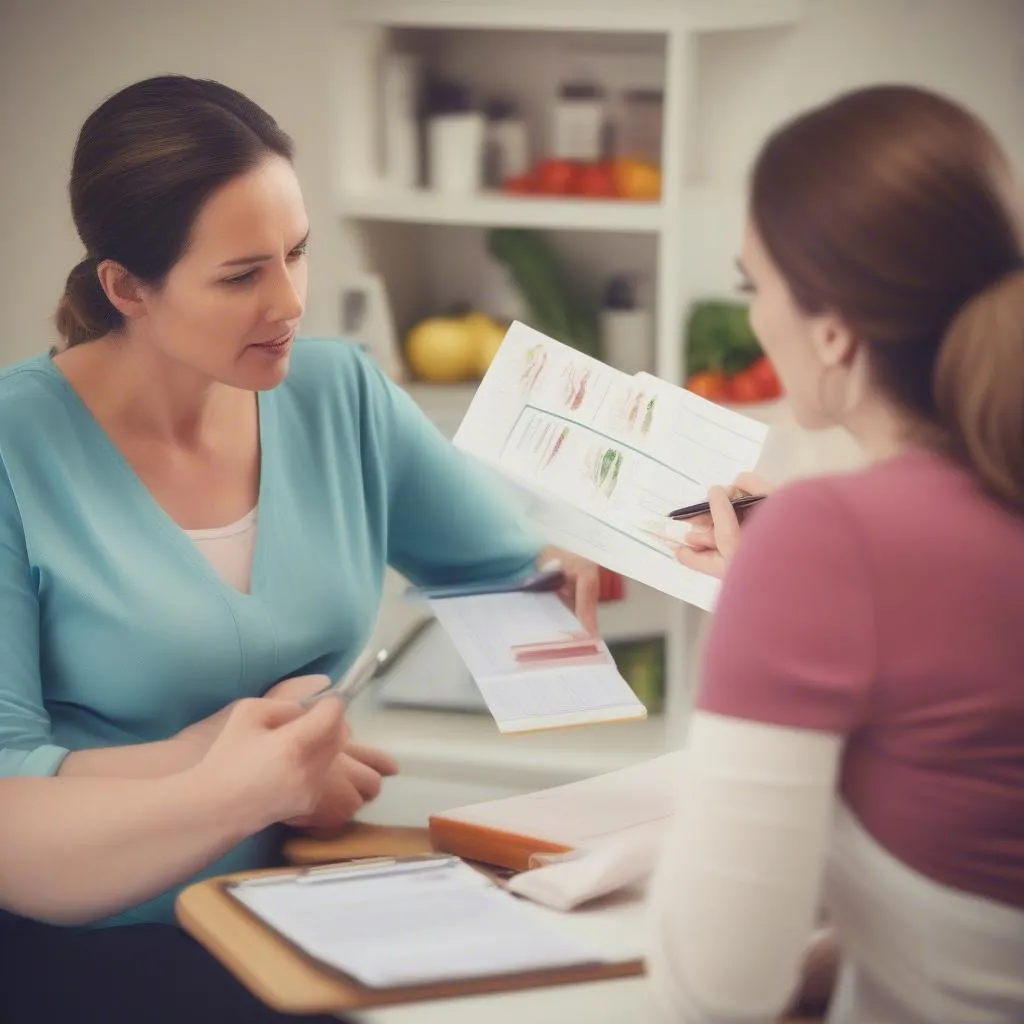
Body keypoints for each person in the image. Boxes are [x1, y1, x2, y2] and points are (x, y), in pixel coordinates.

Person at [0, 74, 598, 1021]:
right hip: (99, 949)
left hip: (320, 903)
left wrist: (626, 550)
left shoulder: (338, 392)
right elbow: (7, 802)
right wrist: (235, 778)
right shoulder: (11, 449)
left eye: (297, 253)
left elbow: (511, 580)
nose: (288, 301)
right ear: (125, 288)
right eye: (241, 275)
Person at [645, 84, 1024, 1023]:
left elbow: (717, 988)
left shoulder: (830, 540)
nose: (756, 317)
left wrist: (775, 605)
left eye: (754, 284)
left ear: (829, 331)